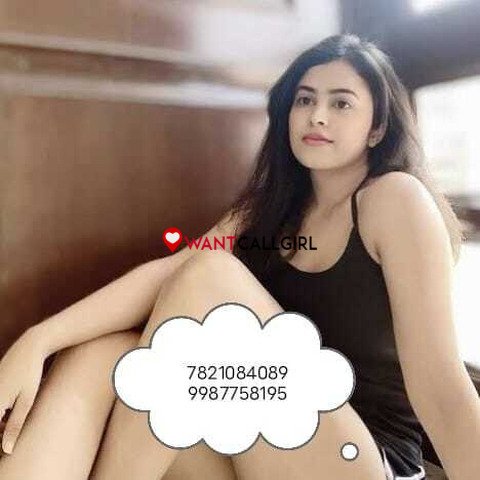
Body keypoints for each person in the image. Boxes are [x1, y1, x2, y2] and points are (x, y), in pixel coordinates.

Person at [0, 33, 479, 480]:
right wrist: (39, 340)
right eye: (305, 100)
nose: (317, 116)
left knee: (209, 275)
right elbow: (168, 273)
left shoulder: (394, 199)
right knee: (104, 357)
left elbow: (442, 392)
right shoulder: (271, 209)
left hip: (367, 460)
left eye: (341, 103)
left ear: (377, 129)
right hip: (275, 445)